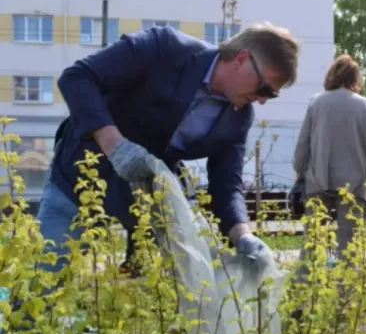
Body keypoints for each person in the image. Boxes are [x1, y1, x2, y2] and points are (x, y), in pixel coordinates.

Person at [39, 23, 300, 276]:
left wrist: (243, 235)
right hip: (81, 178)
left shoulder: (239, 118)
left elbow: (226, 184)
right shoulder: (164, 48)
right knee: (44, 279)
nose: (263, 100)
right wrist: (115, 145)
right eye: (264, 88)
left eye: (272, 95)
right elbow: (77, 78)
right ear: (242, 58)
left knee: (169, 297)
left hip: (147, 206)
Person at [292, 53, 366, 272]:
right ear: (355, 78)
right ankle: (346, 300)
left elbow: (302, 147)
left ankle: (303, 300)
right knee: (350, 249)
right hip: (354, 187)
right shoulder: (365, 106)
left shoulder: (316, 103)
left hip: (317, 182)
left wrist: (301, 171)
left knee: (312, 244)